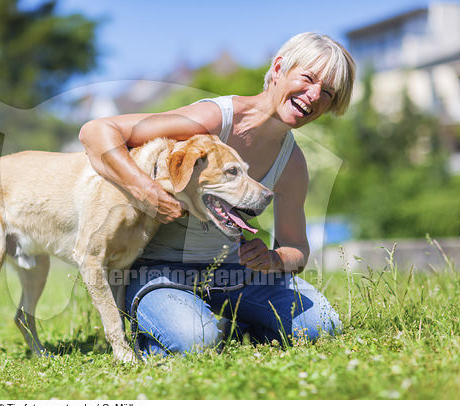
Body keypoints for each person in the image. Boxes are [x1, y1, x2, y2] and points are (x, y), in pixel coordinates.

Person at [78, 32, 356, 356]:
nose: (313, 96)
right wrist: (149, 194)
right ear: (279, 68)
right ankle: (168, 325)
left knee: (322, 324)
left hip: (232, 272)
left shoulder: (292, 163)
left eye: (327, 93)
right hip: (159, 269)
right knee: (197, 341)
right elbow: (95, 132)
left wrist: (272, 258)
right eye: (307, 79)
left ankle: (224, 325)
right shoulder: (213, 120)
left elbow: (297, 250)